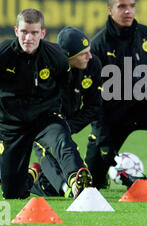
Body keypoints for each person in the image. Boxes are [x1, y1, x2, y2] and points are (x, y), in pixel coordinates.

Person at [0, 9, 91, 199]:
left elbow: (63, 81)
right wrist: (9, 99)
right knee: (13, 193)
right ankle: (8, 169)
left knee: (61, 139)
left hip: (44, 116)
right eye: (24, 32)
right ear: (16, 31)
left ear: (43, 33)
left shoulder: (56, 57)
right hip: (11, 123)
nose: (28, 38)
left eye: (34, 33)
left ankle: (76, 178)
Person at [85, 0, 147, 189]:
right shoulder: (99, 44)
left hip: (144, 108)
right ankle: (100, 173)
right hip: (112, 115)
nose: (128, 11)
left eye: (132, 6)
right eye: (122, 6)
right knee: (93, 182)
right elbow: (93, 99)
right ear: (109, 10)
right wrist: (102, 137)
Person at [30, 26, 103, 197]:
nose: (90, 56)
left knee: (48, 187)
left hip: (67, 124)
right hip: (41, 126)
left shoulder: (93, 65)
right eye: (83, 53)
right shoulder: (49, 70)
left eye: (89, 50)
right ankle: (69, 189)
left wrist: (69, 126)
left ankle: (21, 174)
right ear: (68, 56)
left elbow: (94, 105)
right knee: (58, 184)